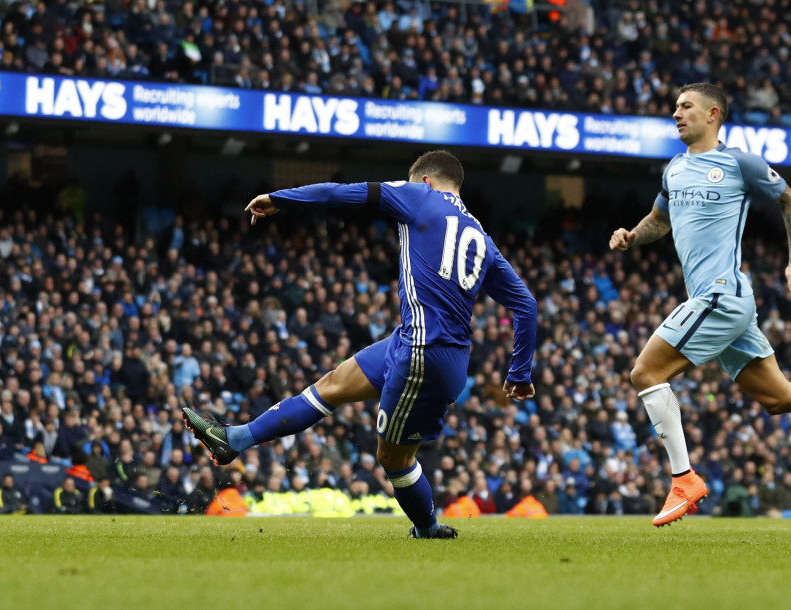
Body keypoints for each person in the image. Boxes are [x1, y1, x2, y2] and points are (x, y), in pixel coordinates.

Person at [184, 150, 538, 539]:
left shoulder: (419, 196)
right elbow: (526, 304)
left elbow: (340, 193)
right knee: (333, 384)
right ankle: (233, 438)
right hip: (423, 345)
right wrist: (519, 372)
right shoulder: (482, 238)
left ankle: (428, 528)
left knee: (394, 458)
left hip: (424, 351)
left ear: (424, 181)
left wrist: (281, 198)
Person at [608, 83, 791, 528]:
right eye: (675, 107)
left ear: (713, 115)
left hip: (722, 294)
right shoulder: (673, 169)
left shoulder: (738, 163)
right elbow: (660, 220)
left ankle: (683, 478)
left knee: (645, 373)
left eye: (686, 107)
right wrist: (634, 235)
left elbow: (789, 201)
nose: (676, 113)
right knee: (778, 397)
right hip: (712, 299)